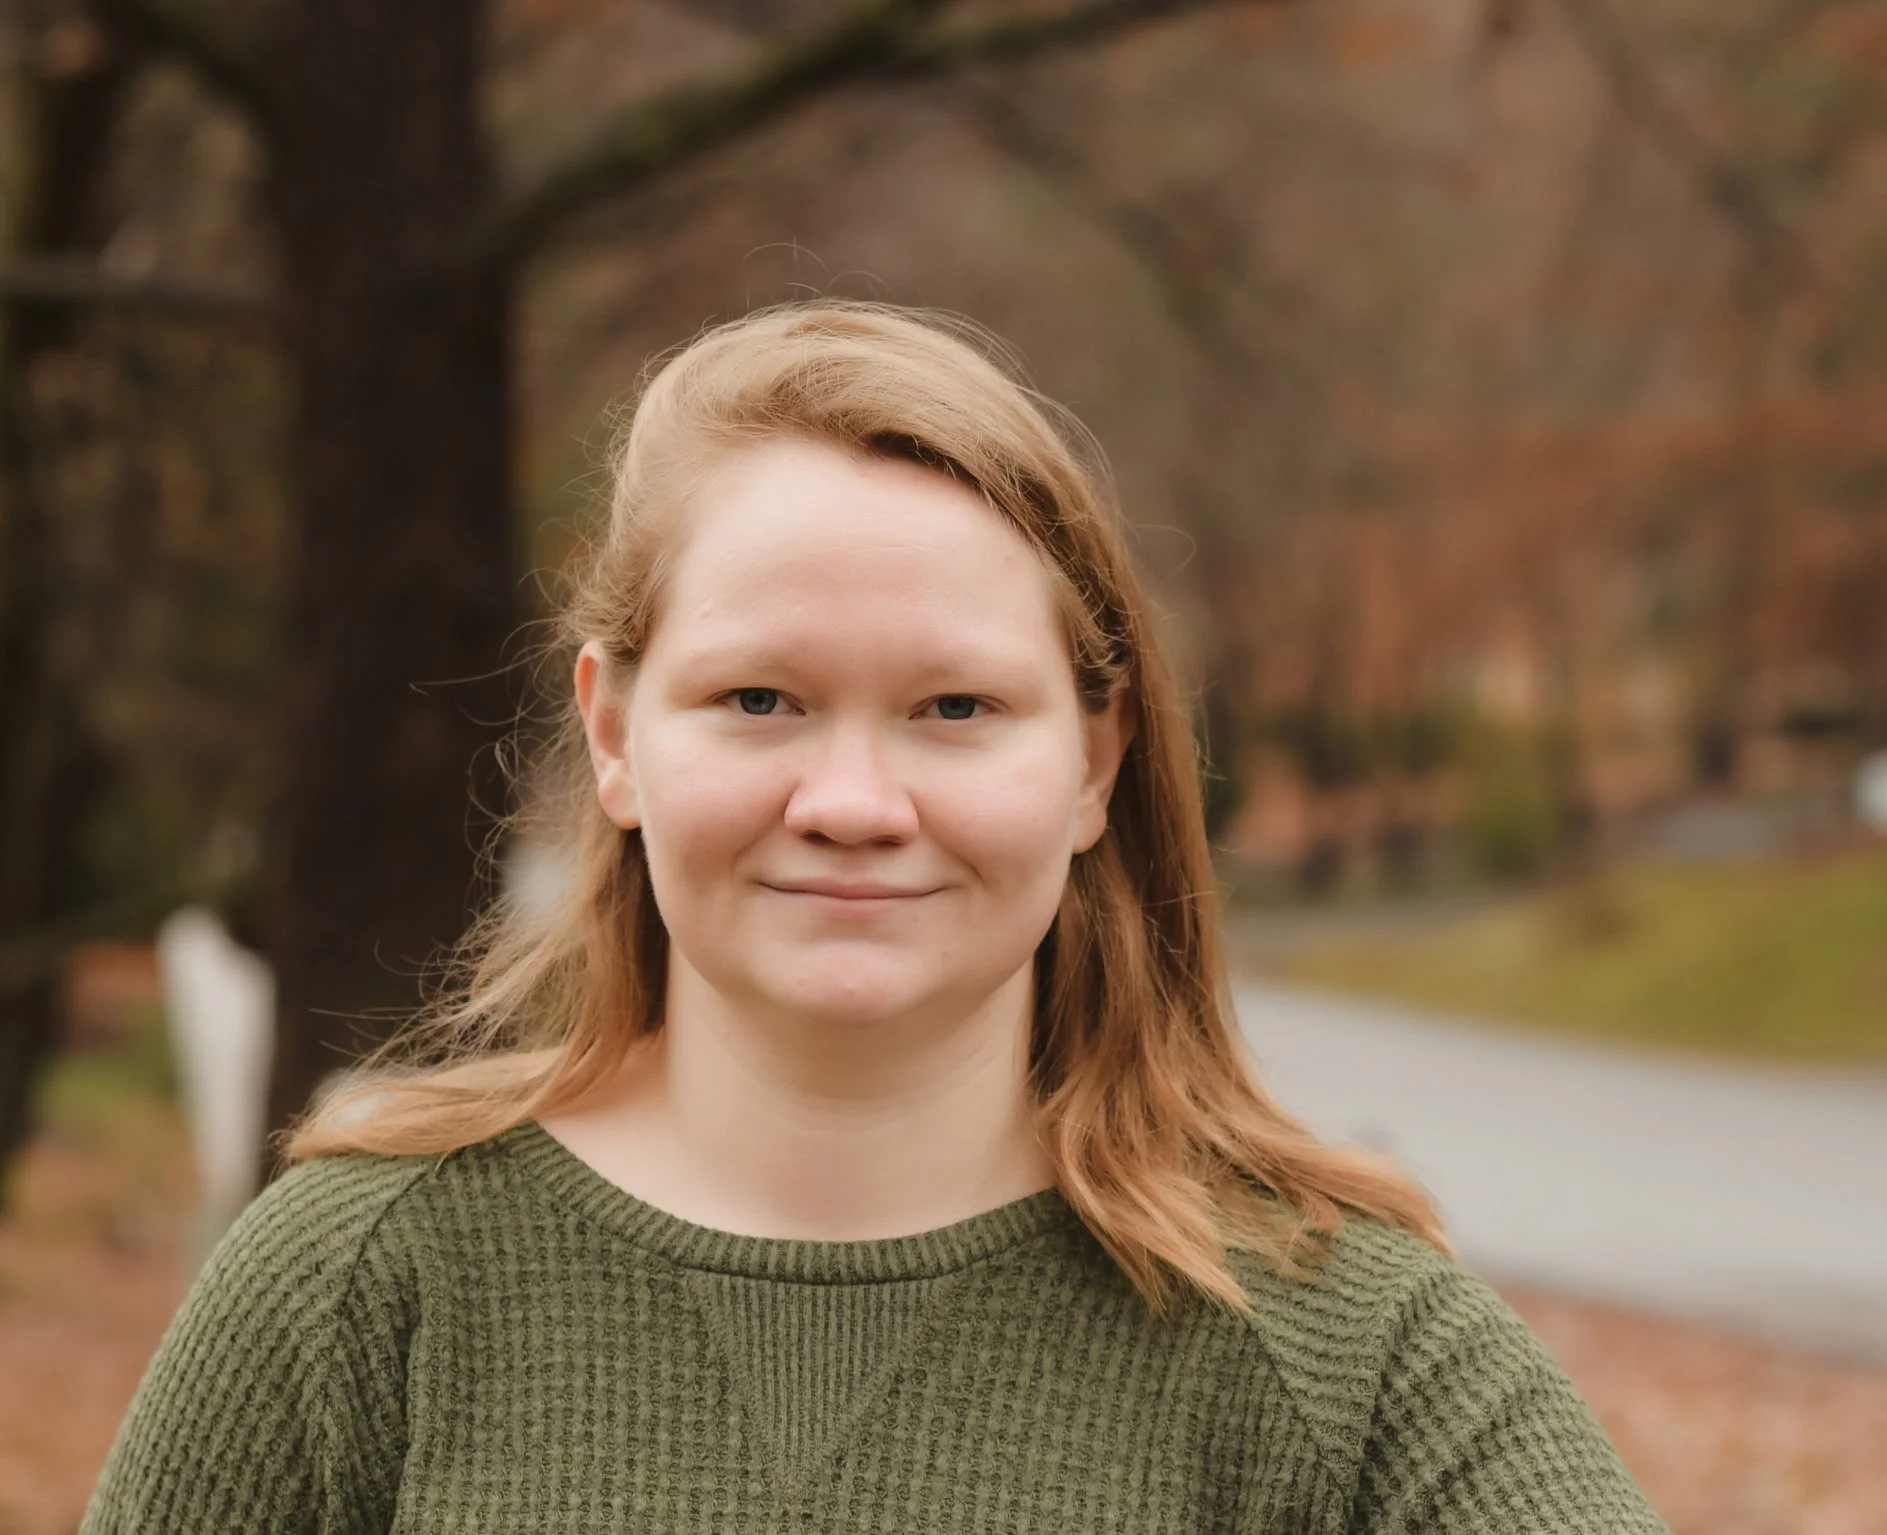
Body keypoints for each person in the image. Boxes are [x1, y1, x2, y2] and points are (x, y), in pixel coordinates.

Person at [83, 302, 1669, 1534]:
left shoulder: (1345, 1349)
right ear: (617, 733)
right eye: (759, 697)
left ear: (1094, 761)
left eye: (954, 707)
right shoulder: (359, 1283)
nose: (852, 797)